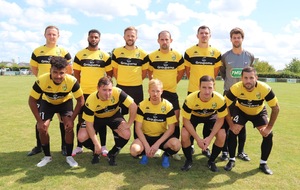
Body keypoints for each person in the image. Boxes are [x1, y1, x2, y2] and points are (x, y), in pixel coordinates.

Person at [28, 56, 84, 167]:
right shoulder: (42, 80)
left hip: (65, 102)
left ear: (66, 72)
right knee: (42, 128)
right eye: (55, 72)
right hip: (47, 103)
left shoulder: (72, 81)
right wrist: (39, 121)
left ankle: (69, 156)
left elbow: (81, 101)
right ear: (50, 71)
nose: (58, 76)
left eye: (61, 73)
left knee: (68, 127)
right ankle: (47, 156)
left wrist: (72, 119)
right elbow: (32, 101)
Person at [223, 67, 279, 175]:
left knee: (268, 134)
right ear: (241, 78)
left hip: (258, 112)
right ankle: (231, 160)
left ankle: (263, 163)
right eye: (245, 78)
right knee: (233, 131)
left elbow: (276, 108)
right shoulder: (236, 88)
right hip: (241, 111)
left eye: (251, 78)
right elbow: (224, 105)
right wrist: (231, 124)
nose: (248, 81)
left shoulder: (264, 88)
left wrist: (269, 127)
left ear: (256, 78)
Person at [28, 25, 73, 156]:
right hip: (43, 89)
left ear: (58, 36)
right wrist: (44, 82)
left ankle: (64, 146)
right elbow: (35, 69)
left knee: (62, 118)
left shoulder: (64, 51)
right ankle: (39, 146)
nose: (51, 36)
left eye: (54, 34)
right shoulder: (37, 51)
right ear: (45, 35)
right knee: (40, 120)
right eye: (49, 34)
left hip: (61, 89)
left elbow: (69, 71)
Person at [78, 76, 137, 165]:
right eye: (104, 90)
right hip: (96, 118)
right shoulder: (91, 100)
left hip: (113, 115)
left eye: (110, 90)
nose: (108, 93)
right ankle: (96, 152)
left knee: (126, 134)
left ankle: (112, 154)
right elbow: (89, 125)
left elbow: (133, 106)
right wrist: (97, 144)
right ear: (98, 88)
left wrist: (129, 124)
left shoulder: (118, 92)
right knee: (81, 136)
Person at [72, 29, 113, 157]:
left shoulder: (105, 56)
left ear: (99, 39)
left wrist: (103, 90)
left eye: (96, 37)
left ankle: (104, 146)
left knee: (102, 119)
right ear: (88, 38)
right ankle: (79, 146)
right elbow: (77, 74)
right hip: (84, 93)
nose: (93, 39)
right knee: (81, 120)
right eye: (91, 37)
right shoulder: (80, 54)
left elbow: (109, 74)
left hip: (99, 94)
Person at [184, 25, 222, 157]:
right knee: (192, 120)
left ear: (210, 36)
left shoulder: (216, 53)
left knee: (209, 119)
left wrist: (207, 86)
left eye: (206, 33)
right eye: (201, 33)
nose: (204, 35)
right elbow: (188, 71)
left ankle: (206, 147)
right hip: (193, 91)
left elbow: (215, 72)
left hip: (210, 93)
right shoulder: (189, 51)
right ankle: (192, 144)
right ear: (197, 35)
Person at [146, 30, 185, 161]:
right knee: (157, 120)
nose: (164, 42)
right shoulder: (152, 56)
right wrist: (156, 87)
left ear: (171, 40)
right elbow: (149, 73)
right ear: (158, 41)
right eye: (162, 39)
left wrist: (172, 83)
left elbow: (180, 73)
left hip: (172, 93)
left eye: (166, 39)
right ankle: (157, 148)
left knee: (175, 121)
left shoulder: (177, 56)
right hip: (157, 93)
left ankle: (173, 150)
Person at [219, 27, 255, 161]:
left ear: (242, 39)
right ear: (231, 39)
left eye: (238, 37)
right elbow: (223, 73)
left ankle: (241, 151)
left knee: (242, 123)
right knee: (225, 123)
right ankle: (225, 151)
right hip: (229, 93)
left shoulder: (249, 56)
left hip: (244, 95)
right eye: (234, 37)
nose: (236, 39)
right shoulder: (225, 56)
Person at [130, 79, 181, 168]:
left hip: (161, 137)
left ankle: (166, 155)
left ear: (162, 91)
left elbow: (171, 128)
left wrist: (157, 144)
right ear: (149, 91)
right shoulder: (142, 105)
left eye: (158, 91)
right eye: (153, 91)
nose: (155, 94)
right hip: (145, 137)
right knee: (134, 150)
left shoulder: (168, 106)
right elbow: (137, 128)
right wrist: (146, 146)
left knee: (176, 145)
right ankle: (145, 154)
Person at [180, 75, 227, 172]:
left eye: (210, 87)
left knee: (222, 135)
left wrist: (209, 138)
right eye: (204, 87)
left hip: (211, 116)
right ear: (199, 87)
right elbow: (186, 121)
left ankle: (211, 161)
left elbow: (220, 120)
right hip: (194, 116)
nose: (207, 91)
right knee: (184, 134)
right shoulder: (190, 99)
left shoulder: (220, 99)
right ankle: (189, 160)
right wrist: (198, 139)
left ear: (214, 87)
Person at [111, 26, 148, 139]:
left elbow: (144, 73)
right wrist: (123, 81)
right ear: (124, 37)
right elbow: (115, 71)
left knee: (137, 117)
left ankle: (137, 142)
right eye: (128, 35)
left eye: (132, 36)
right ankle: (119, 142)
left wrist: (134, 81)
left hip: (136, 89)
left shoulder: (143, 54)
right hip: (121, 88)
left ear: (136, 37)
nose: (130, 38)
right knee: (118, 116)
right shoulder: (117, 52)